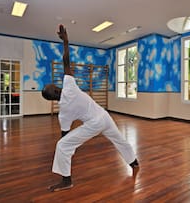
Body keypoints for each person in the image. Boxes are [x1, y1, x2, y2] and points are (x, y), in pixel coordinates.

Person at [42, 24, 139, 192]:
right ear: (57, 90)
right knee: (119, 139)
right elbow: (66, 61)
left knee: (62, 145)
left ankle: (66, 180)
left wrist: (70, 145)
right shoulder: (69, 86)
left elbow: (65, 134)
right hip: (104, 116)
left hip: (95, 123)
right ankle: (134, 162)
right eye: (54, 85)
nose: (57, 84)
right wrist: (66, 41)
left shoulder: (63, 112)